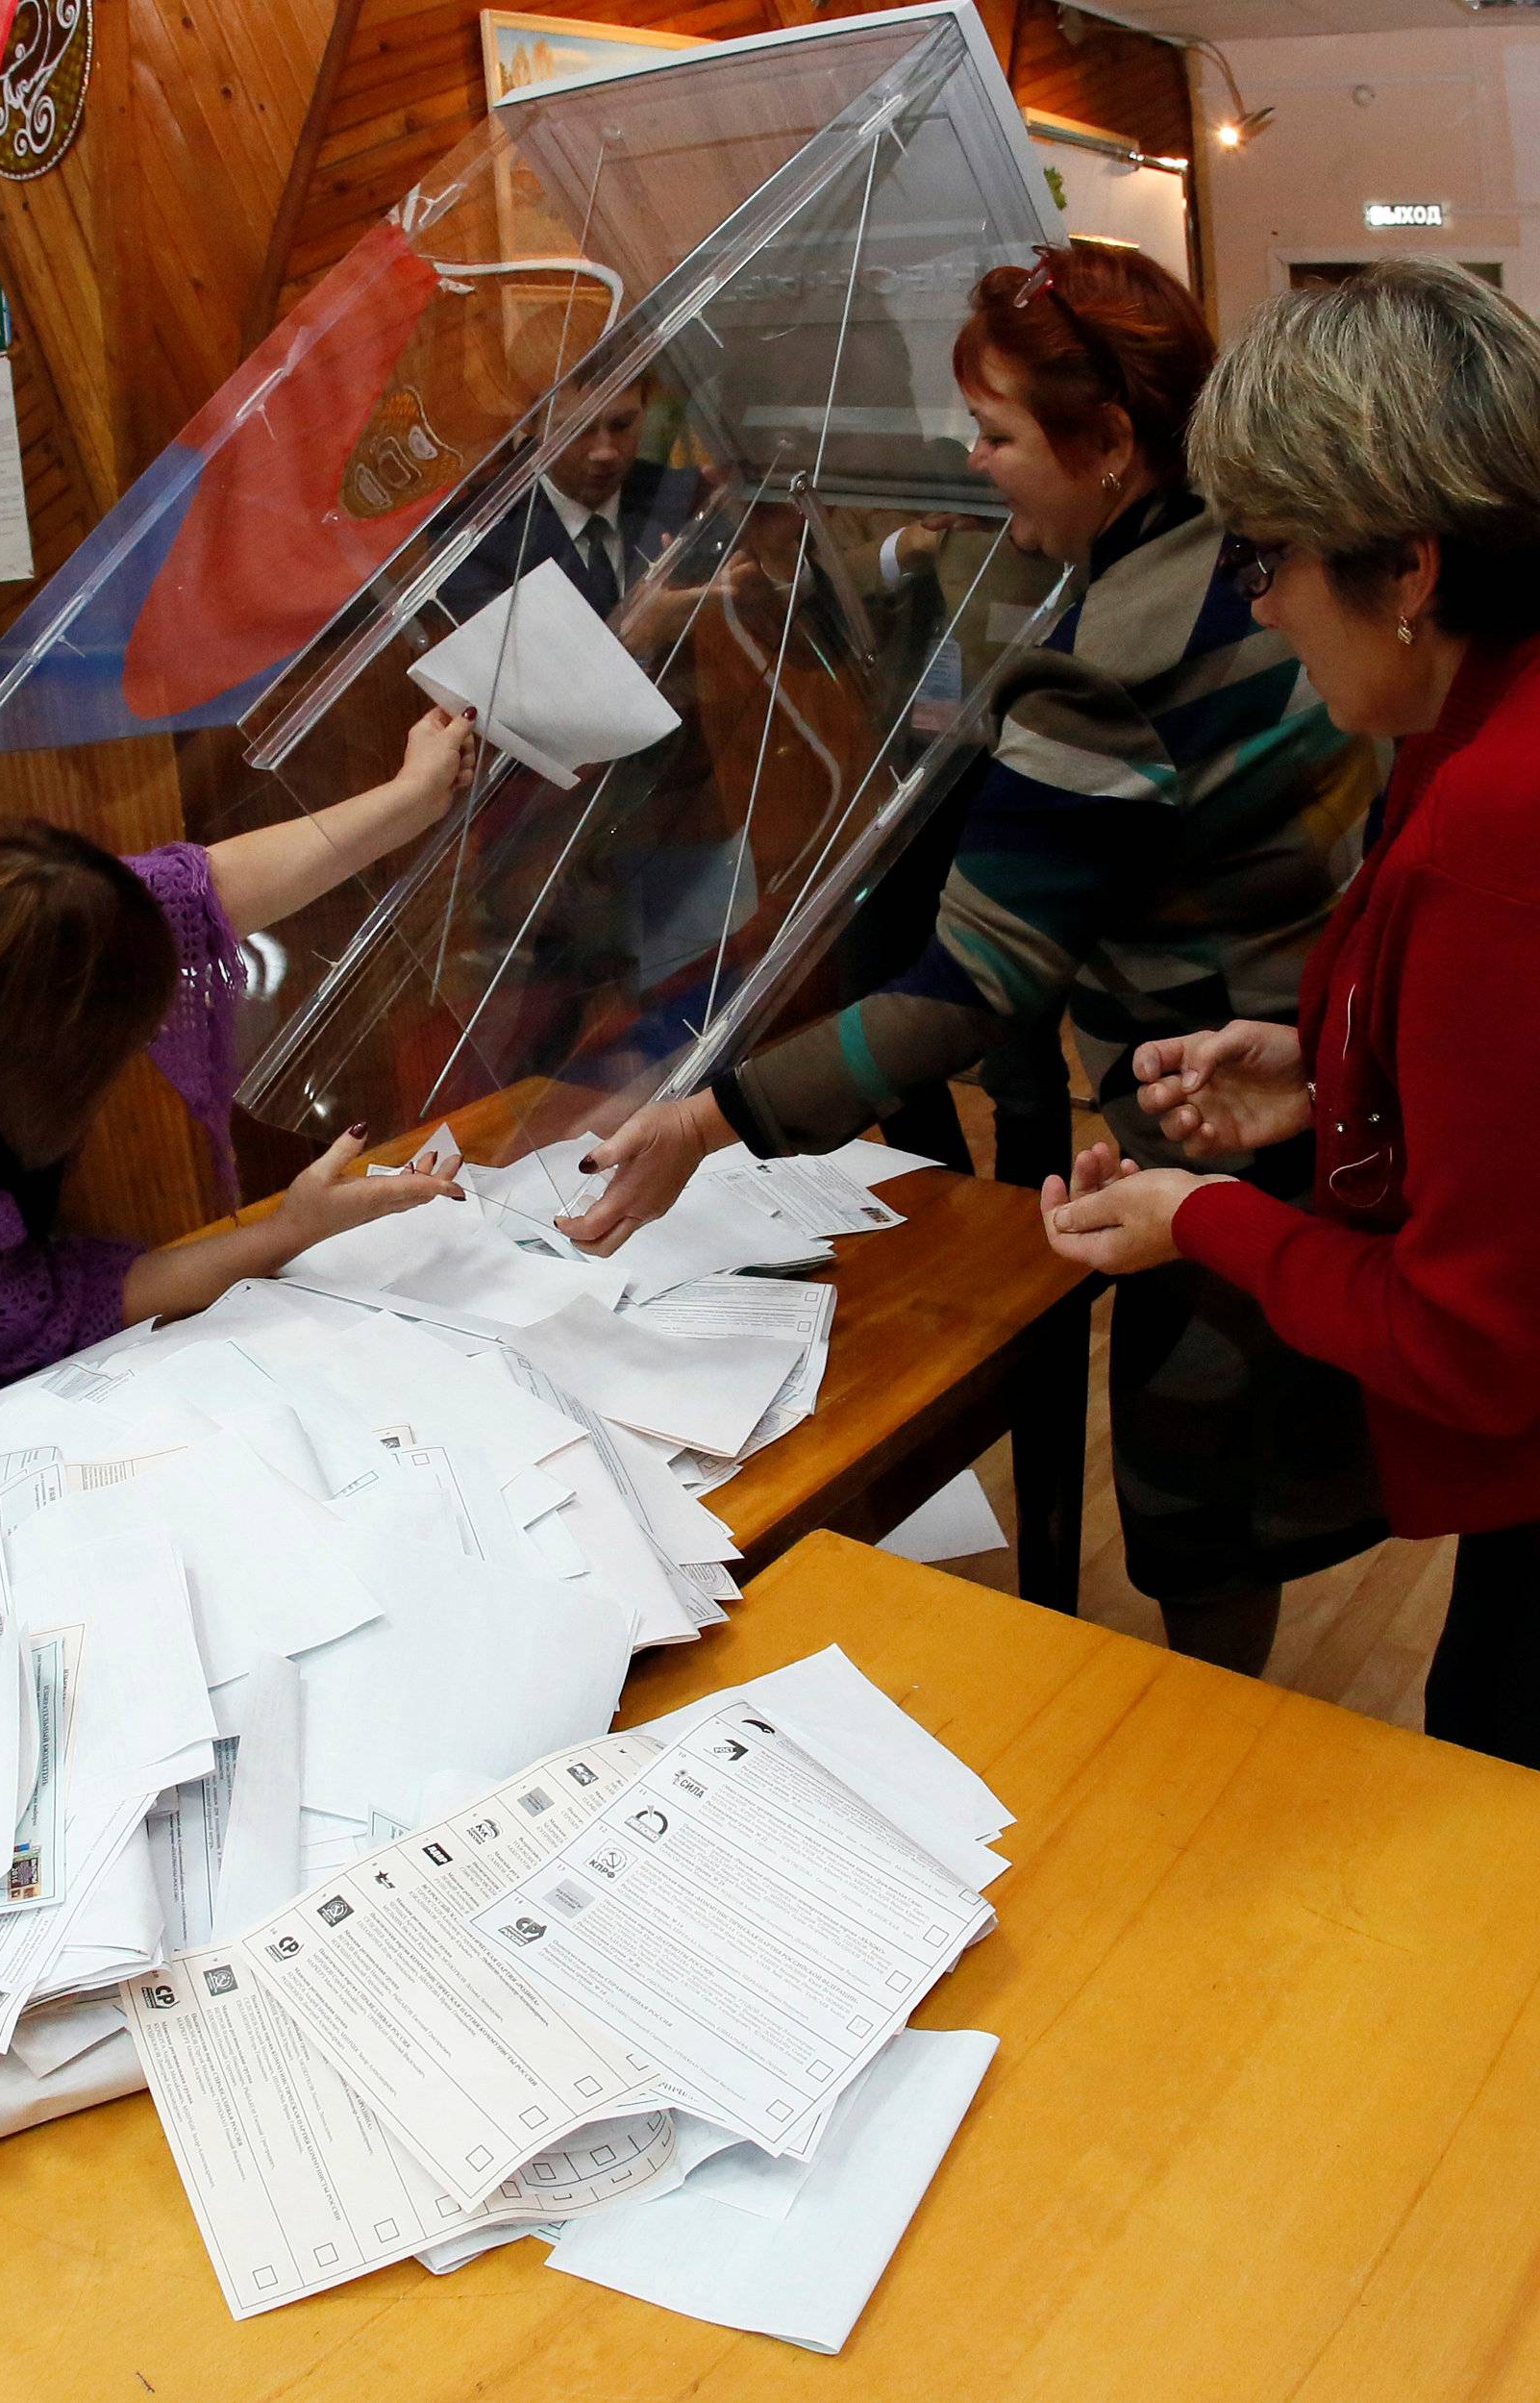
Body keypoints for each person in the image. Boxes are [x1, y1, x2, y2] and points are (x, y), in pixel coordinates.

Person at [558, 241, 1383, 1665]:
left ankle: (1213, 1754)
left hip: (1214, 1106)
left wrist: (706, 1116)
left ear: (1111, 442)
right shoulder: (1260, 550)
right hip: (1329, 1065)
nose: (973, 456)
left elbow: (966, 991)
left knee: (1201, 1503)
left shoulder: (1110, 663)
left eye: (999, 430)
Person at [1041, 258, 1540, 1765]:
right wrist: (1331, 1086)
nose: (1255, 604)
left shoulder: (1492, 827)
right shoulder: (1471, 720)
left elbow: (1473, 1342)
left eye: (1269, 558)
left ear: (1410, 568)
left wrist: (1199, 1218)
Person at [0, 709, 478, 1449]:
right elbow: (60, 1309)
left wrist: (410, 799)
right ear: (35, 1085)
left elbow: (197, 894)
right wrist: (290, 1229)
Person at [436, 376, 703, 629]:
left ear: (646, 407)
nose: (605, 452)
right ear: (531, 423)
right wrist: (637, 640)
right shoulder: (470, 545)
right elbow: (523, 671)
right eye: (578, 429)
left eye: (621, 424)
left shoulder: (685, 498)